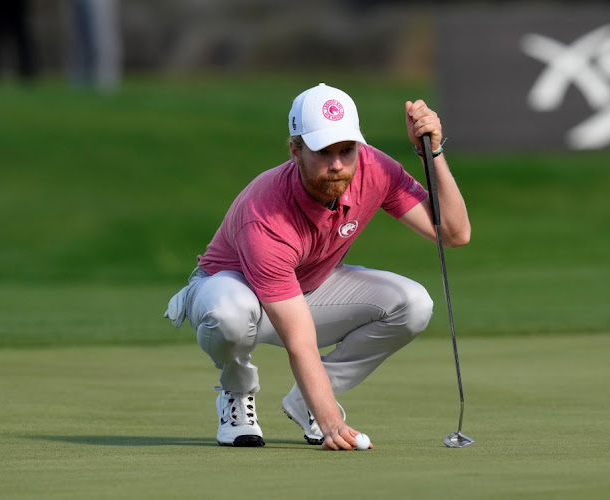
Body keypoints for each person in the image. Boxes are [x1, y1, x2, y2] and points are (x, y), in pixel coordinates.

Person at [164, 83, 470, 450]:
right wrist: (331, 424)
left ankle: (304, 399)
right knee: (230, 313)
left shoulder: (374, 168)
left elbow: (454, 233)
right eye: (323, 152)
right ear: (295, 150)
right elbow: (300, 340)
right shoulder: (266, 214)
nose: (338, 164)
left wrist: (430, 153)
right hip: (229, 287)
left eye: (347, 150)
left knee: (413, 304)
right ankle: (236, 391)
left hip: (306, 287)